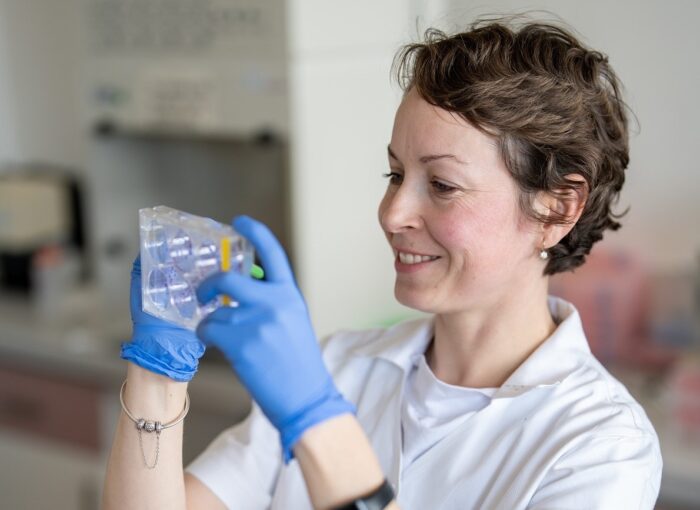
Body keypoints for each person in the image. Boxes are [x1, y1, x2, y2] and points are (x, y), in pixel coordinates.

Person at [102, 18, 662, 510]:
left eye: (442, 185)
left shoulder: (601, 448)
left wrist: (318, 421)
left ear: (555, 208)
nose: (393, 213)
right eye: (395, 175)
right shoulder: (341, 366)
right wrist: (158, 369)